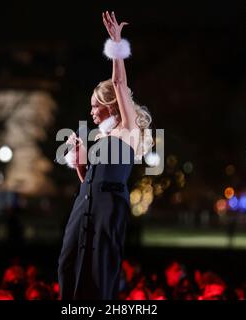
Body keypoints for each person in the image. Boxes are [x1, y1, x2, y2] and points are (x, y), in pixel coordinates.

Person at [57, 11, 154, 300]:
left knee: (99, 269)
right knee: (68, 263)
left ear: (110, 106)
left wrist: (116, 45)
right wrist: (78, 159)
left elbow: (120, 84)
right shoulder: (99, 137)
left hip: (110, 204)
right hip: (84, 202)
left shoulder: (127, 128)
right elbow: (87, 178)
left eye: (94, 106)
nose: (90, 112)